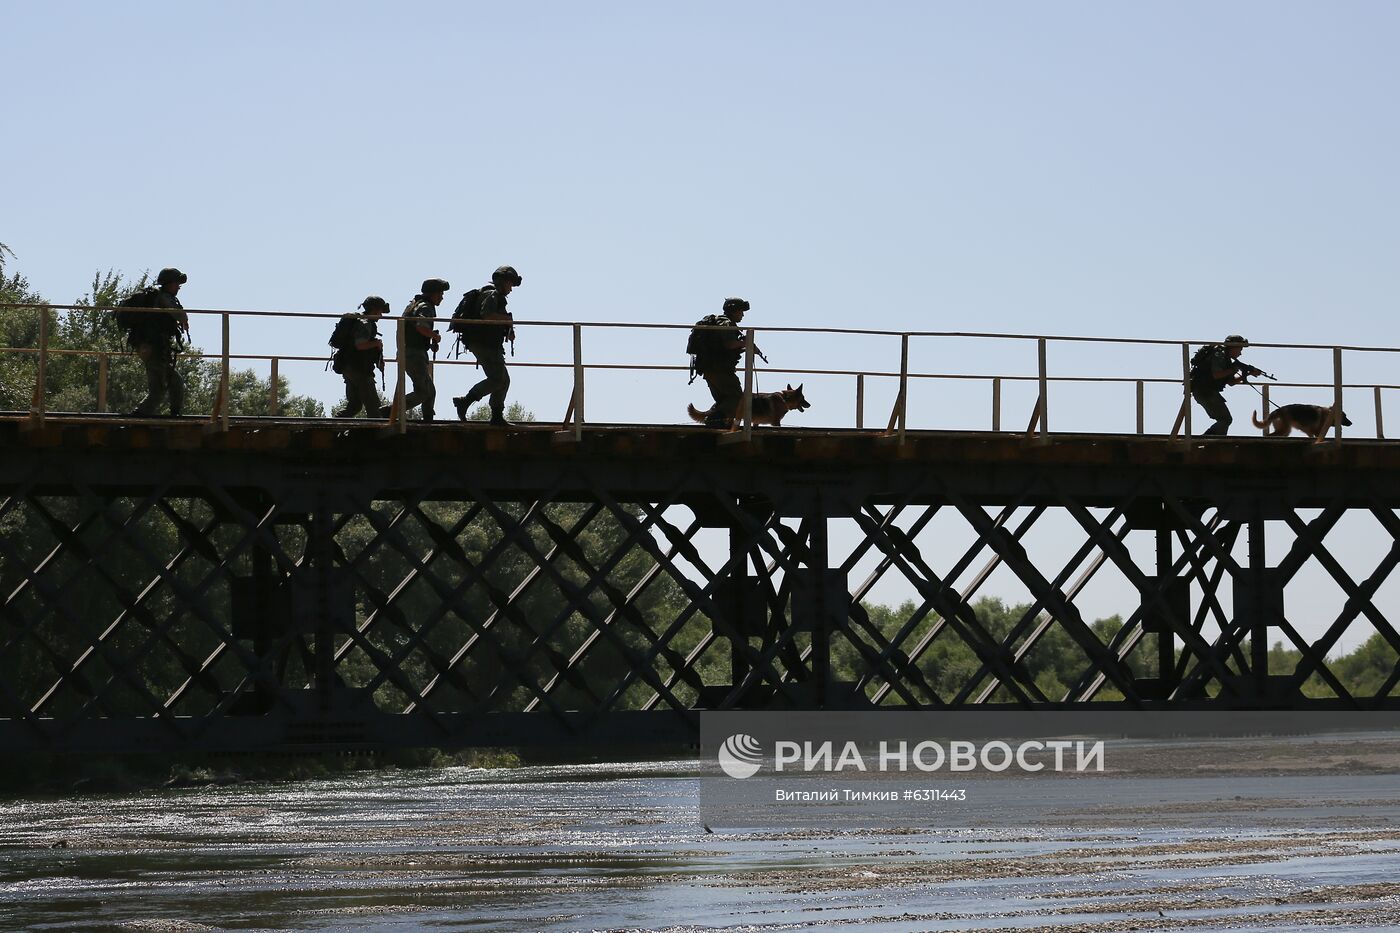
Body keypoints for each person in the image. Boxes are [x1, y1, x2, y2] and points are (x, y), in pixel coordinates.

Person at [452, 265, 522, 426]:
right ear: (502, 281)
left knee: (503, 380)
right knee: (498, 379)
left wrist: (508, 329)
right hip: (484, 344)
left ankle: (496, 415)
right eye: (510, 284)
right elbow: (487, 315)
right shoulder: (492, 294)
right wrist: (506, 320)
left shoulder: (492, 295)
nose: (511, 289)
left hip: (487, 343)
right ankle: (465, 401)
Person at [124, 267, 191, 417]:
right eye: (176, 283)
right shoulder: (163, 298)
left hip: (150, 347)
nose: (179, 286)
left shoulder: (159, 297)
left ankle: (171, 413)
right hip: (152, 347)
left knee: (173, 381)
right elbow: (179, 314)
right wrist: (184, 318)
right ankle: (139, 415)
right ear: (168, 283)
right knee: (160, 388)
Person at [692, 297, 751, 428]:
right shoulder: (726, 323)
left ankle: (716, 424)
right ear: (734, 310)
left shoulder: (720, 321)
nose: (742, 314)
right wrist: (746, 343)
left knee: (724, 400)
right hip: (720, 370)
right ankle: (712, 420)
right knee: (737, 399)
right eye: (741, 311)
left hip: (711, 369)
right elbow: (729, 344)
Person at [333, 296, 389, 418]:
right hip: (359, 369)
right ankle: (376, 435)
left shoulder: (359, 322)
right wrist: (377, 343)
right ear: (374, 310)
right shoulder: (365, 323)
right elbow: (360, 345)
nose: (381, 315)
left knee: (355, 405)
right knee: (374, 408)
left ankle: (334, 425)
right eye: (380, 312)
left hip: (348, 367)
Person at [399, 278, 447, 422]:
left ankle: (428, 419)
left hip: (410, 352)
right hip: (414, 354)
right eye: (440, 294)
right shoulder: (426, 307)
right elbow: (421, 326)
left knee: (430, 391)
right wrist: (435, 336)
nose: (442, 297)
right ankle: (391, 410)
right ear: (433, 294)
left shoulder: (414, 305)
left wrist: (429, 341)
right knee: (424, 392)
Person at [1190, 334, 1252, 436]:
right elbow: (1216, 375)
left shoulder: (1226, 359)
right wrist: (1233, 369)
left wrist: (1248, 374)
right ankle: (1208, 441)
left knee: (1225, 419)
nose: (1240, 353)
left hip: (1207, 391)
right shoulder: (1219, 354)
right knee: (1225, 419)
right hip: (1204, 390)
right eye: (1240, 349)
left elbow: (1231, 382)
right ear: (1233, 347)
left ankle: (1211, 441)